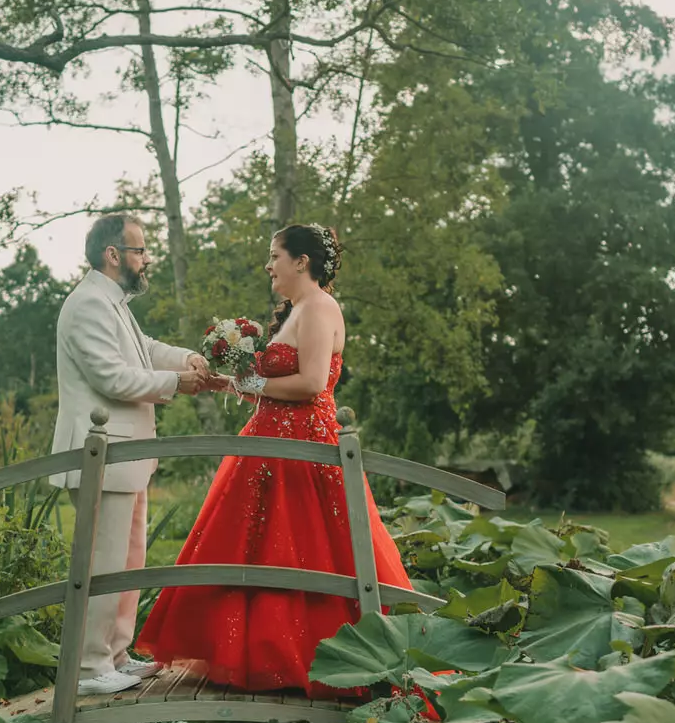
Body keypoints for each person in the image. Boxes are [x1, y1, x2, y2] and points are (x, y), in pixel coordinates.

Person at [136, 224, 412, 697]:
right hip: (266, 442)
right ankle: (255, 652)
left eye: (274, 256)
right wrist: (234, 382)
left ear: (301, 261)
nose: (268, 266)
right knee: (249, 544)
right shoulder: (292, 312)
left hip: (303, 446)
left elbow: (310, 385)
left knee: (304, 546)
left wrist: (253, 385)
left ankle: (316, 655)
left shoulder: (321, 307)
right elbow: (274, 387)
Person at [54, 214, 218, 695]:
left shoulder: (112, 303)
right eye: (140, 251)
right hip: (101, 458)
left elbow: (141, 350)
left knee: (127, 562)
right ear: (113, 255)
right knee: (101, 566)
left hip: (128, 458)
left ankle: (116, 655)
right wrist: (177, 383)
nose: (146, 260)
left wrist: (184, 357)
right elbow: (112, 377)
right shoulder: (86, 304)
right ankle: (88, 669)